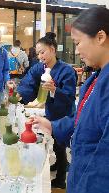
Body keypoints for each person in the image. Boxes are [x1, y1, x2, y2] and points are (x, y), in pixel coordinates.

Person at [32, 7, 109, 193]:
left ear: (100, 37)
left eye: (78, 42)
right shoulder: (97, 77)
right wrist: (52, 126)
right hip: (81, 170)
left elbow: (104, 158)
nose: (76, 50)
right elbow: (83, 122)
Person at [16, 32, 77, 189]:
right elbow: (29, 81)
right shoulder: (39, 68)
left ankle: (61, 179)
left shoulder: (67, 71)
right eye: (37, 53)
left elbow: (70, 97)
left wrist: (55, 90)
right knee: (52, 144)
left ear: (52, 49)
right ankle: (56, 166)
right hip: (50, 113)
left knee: (60, 146)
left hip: (64, 115)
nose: (40, 56)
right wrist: (20, 95)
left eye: (42, 52)